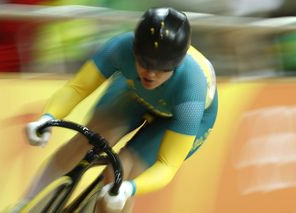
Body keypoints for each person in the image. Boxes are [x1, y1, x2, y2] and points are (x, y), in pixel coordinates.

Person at [23, 7, 218, 213]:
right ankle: (26, 205)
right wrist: (48, 117)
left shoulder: (191, 89)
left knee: (119, 176)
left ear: (176, 64)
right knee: (89, 137)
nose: (150, 73)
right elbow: (77, 88)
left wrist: (129, 188)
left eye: (161, 67)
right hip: (137, 93)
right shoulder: (121, 47)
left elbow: (167, 165)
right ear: (134, 50)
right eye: (144, 62)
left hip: (179, 114)